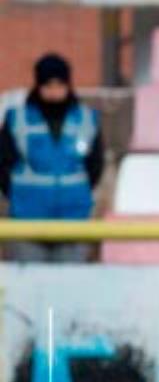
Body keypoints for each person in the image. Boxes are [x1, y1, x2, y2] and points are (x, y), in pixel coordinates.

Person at [0, 53, 103, 262]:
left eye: (60, 84)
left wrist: (76, 194)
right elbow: (3, 164)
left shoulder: (87, 118)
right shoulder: (16, 118)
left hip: (73, 219)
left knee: (69, 288)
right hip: (27, 220)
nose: (54, 91)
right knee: (27, 286)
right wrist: (18, 196)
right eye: (48, 84)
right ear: (38, 85)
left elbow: (95, 165)